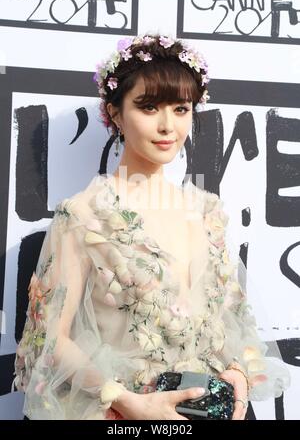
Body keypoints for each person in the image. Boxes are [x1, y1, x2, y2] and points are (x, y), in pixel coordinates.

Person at [13, 34, 290, 420]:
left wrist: (239, 373)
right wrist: (129, 402)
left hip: (204, 409)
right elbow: (51, 338)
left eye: (180, 109)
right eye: (148, 107)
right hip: (121, 414)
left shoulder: (206, 211)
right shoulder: (83, 215)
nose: (167, 126)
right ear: (115, 114)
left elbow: (229, 314)